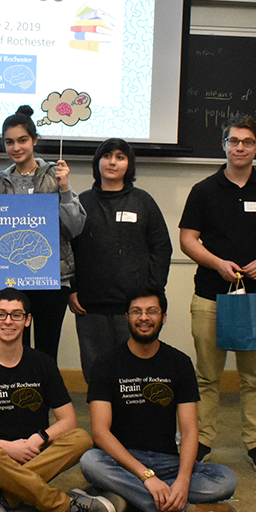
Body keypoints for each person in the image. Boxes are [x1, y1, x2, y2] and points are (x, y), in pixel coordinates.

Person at [178, 114, 256, 473]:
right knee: (207, 377)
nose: (239, 147)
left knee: (255, 379)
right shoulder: (203, 191)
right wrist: (216, 263)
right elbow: (187, 239)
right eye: (233, 141)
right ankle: (203, 441)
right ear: (223, 145)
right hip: (211, 296)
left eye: (247, 142)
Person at [78, 289, 244, 512]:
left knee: (226, 480)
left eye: (152, 311)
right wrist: (147, 477)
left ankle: (125, 495)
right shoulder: (105, 363)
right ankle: (187, 511)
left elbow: (189, 431)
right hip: (122, 460)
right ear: (127, 317)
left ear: (163, 317)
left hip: (167, 462)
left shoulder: (179, 363)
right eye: (136, 311)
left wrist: (183, 481)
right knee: (90, 461)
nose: (144, 317)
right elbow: (100, 433)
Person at [0, 287, 115, 512]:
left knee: (81, 437)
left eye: (16, 315)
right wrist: (8, 448)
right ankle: (63, 504)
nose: (8, 321)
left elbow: (69, 421)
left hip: (33, 452)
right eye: (1, 314)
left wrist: (39, 438)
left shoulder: (43, 364)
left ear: (27, 320)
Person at [69, 138, 171, 381]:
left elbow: (162, 247)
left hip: (135, 308)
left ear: (129, 165)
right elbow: (68, 250)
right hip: (90, 306)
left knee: (134, 374)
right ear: (97, 162)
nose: (112, 162)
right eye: (106, 156)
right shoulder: (81, 203)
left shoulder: (143, 201)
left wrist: (153, 289)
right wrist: (70, 290)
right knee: (96, 374)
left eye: (120, 157)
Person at [0, 106, 86, 361]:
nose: (16, 147)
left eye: (22, 140)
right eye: (9, 142)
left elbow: (75, 228)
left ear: (34, 140)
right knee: (12, 349)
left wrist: (65, 189)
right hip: (11, 276)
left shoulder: (56, 175)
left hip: (52, 277)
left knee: (45, 351)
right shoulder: (0, 182)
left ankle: (43, 401)